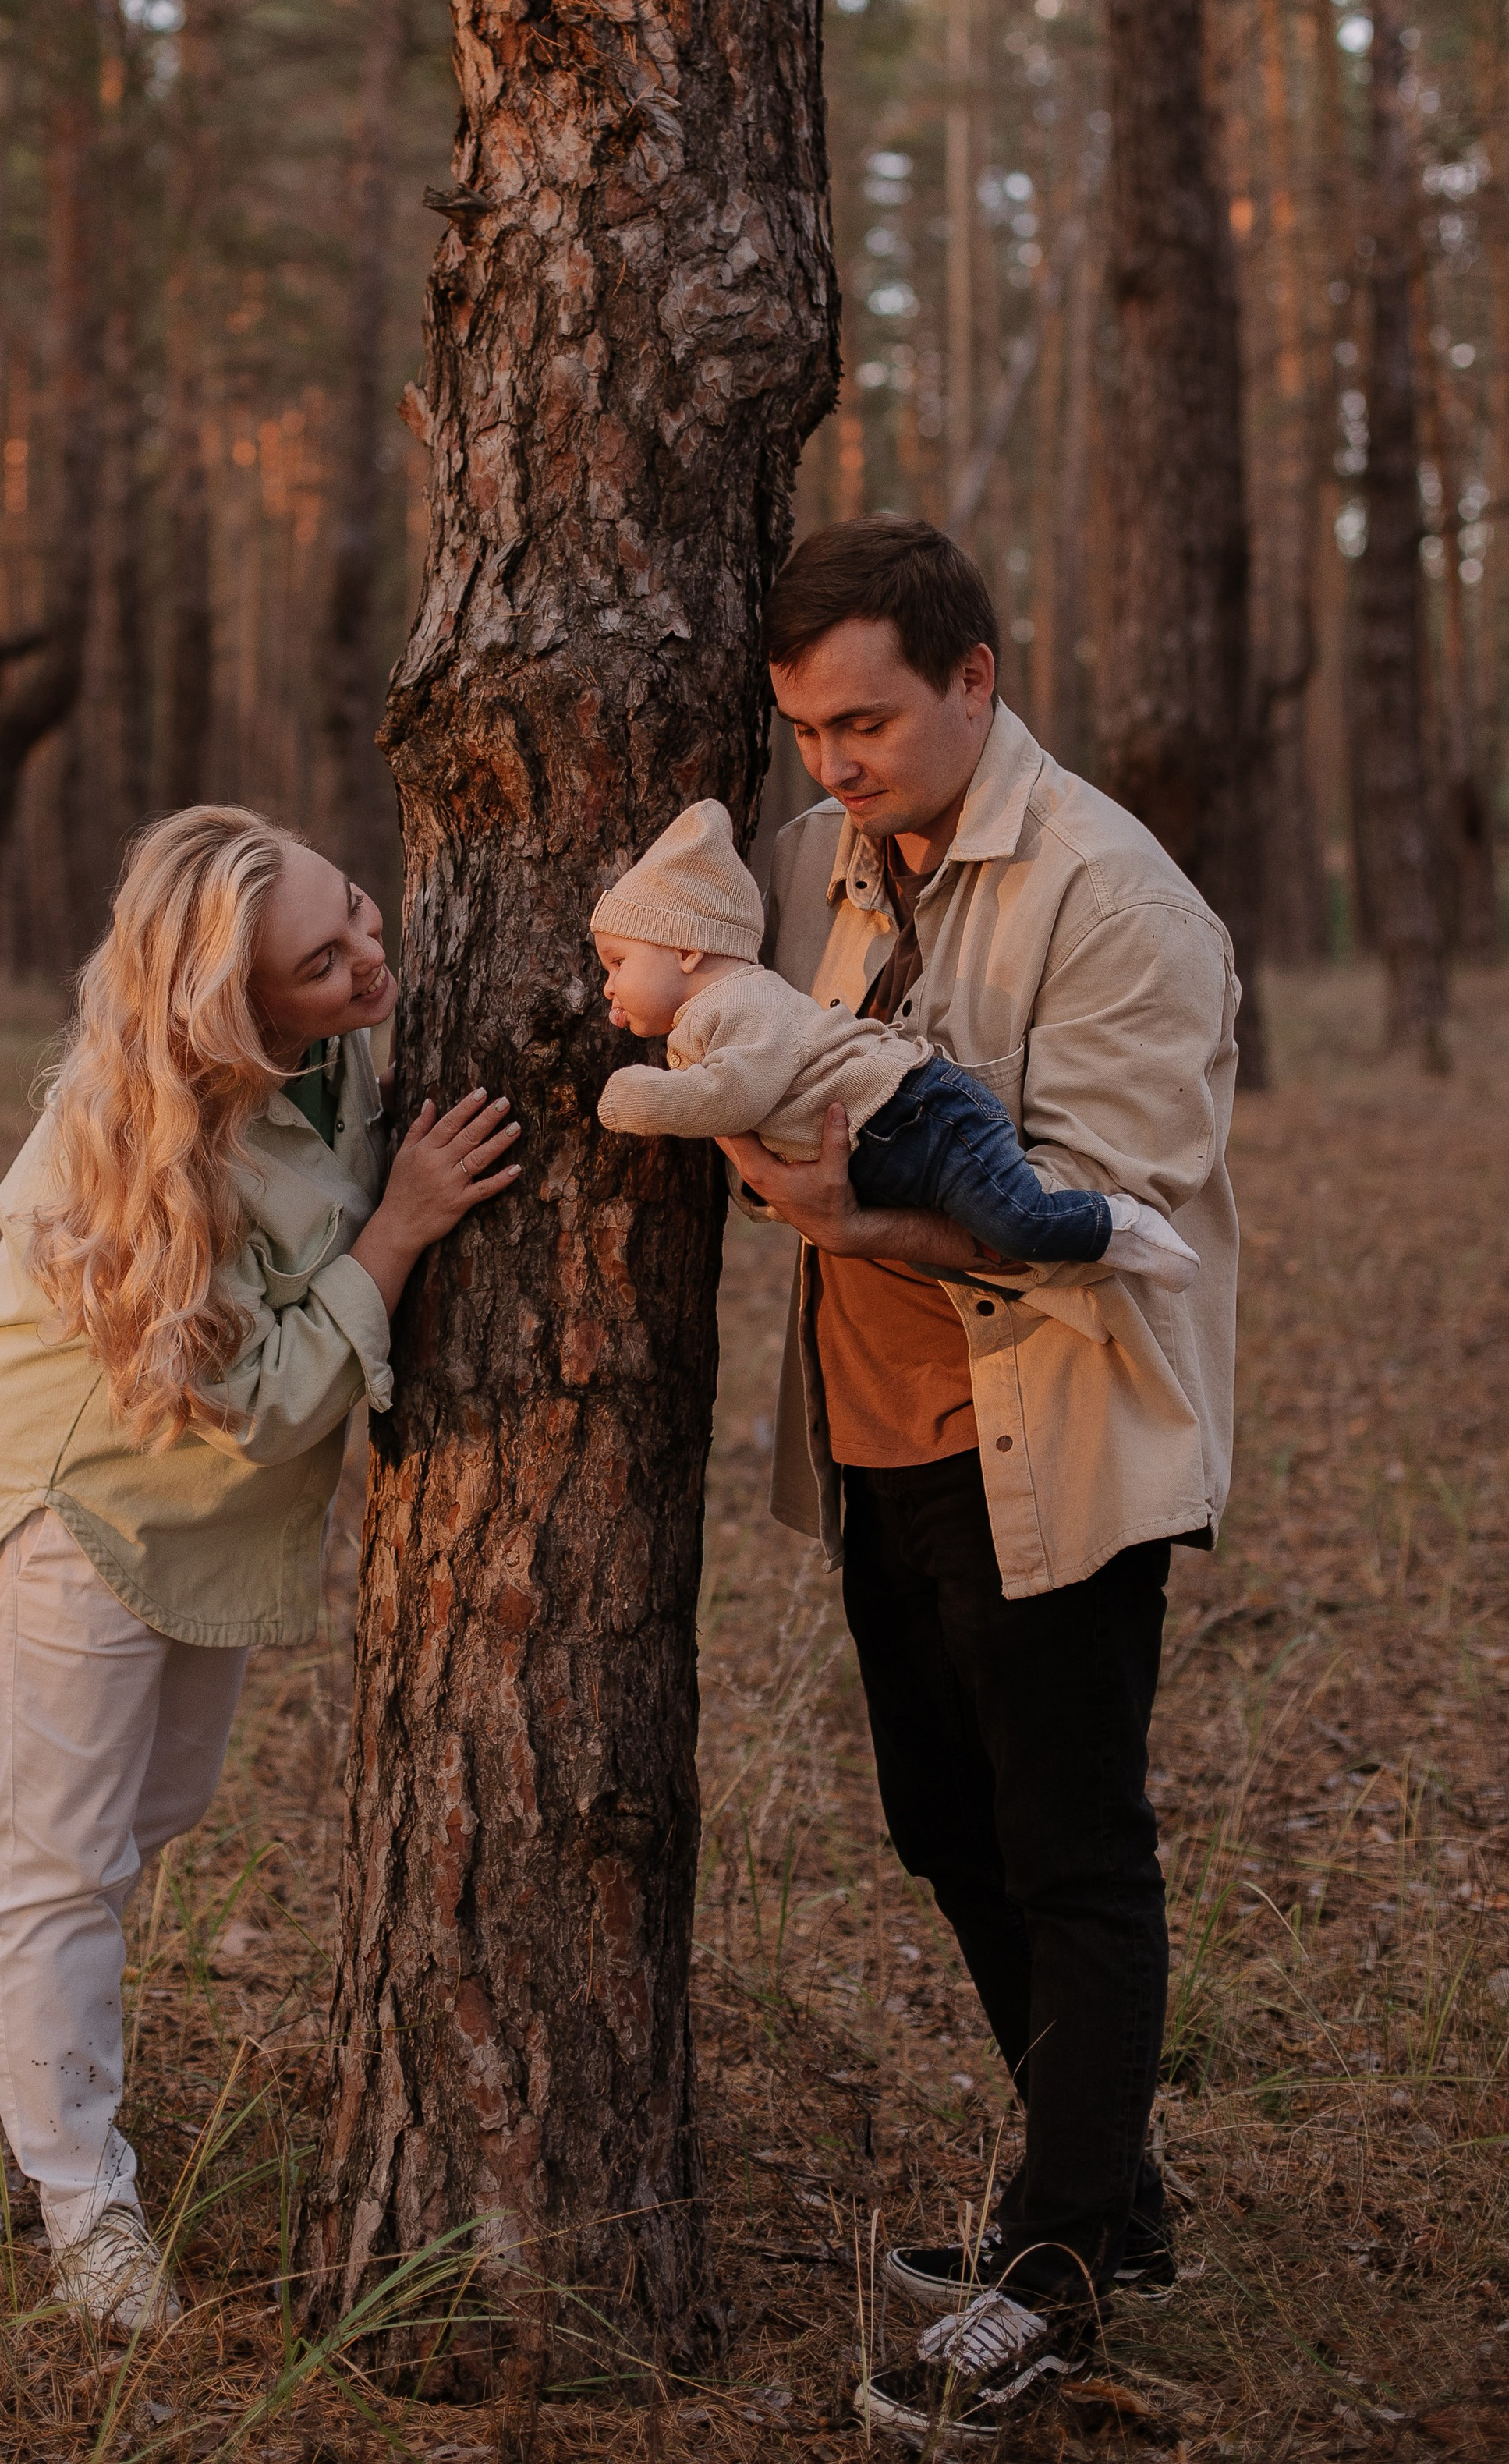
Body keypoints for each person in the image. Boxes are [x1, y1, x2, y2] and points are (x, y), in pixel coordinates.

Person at [720, 519, 1238, 2450]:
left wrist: (854, 1211)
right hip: (872, 1437)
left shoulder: (1116, 895)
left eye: (863, 719)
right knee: (938, 1822)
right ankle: (1107, 2182)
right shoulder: (812, 861)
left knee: (1068, 1844)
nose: (830, 762)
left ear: (973, 679)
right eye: (802, 730)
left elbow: (1112, 1214)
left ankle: (1055, 2258)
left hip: (1056, 1437)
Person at [0, 807, 519, 2331]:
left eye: (358, 912)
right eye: (325, 958)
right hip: (71, 1511)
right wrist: (404, 1231)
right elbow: (257, 1404)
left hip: (196, 1523)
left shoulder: (341, 1046)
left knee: (148, 1812)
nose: (372, 957)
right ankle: (83, 2208)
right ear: (238, 1009)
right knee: (64, 1863)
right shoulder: (125, 1156)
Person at [590, 799, 1197, 1286]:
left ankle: (1115, 1226)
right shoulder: (710, 1011)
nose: (609, 986)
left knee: (1018, 1222)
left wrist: (628, 1096)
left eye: (618, 963)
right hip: (894, 1141)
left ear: (688, 949)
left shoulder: (742, 1003)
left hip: (925, 1118)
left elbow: (732, 1094)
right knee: (1003, 1219)